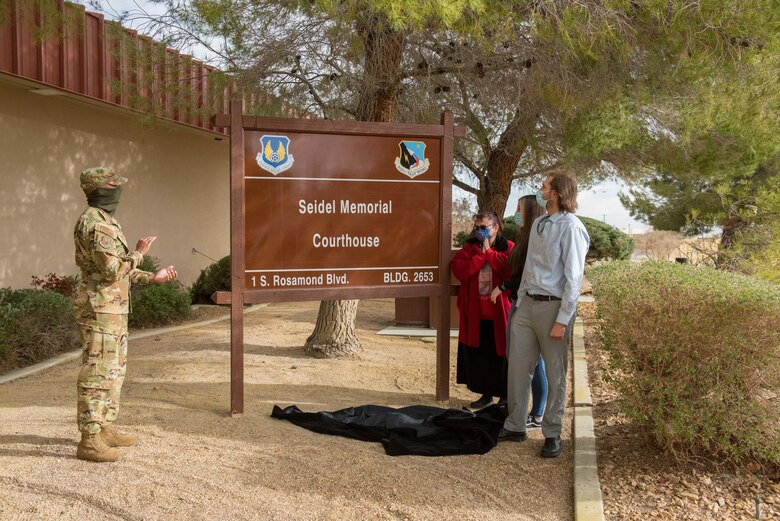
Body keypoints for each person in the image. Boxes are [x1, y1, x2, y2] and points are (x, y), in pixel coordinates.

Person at [73, 166, 177, 462]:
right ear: (102, 190)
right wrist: (139, 252)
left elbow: (120, 272)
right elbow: (111, 270)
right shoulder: (96, 225)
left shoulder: (105, 220)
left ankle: (104, 426)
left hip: (112, 308)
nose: (119, 192)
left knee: (113, 370)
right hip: (100, 309)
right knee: (97, 372)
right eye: (114, 186)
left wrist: (152, 277)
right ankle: (90, 439)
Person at [498, 170, 589, 459]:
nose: (540, 189)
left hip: (553, 308)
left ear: (558, 193)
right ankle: (515, 426)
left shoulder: (572, 227)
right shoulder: (538, 223)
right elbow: (529, 269)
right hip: (527, 306)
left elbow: (574, 278)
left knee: (555, 372)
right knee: (518, 368)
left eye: (545, 186)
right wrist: (520, 303)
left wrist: (563, 319)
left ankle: (552, 433)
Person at [490, 194, 547, 430]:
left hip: (525, 302)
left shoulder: (535, 238)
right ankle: (526, 412)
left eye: (519, 208)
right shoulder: (525, 236)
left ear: (531, 210)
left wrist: (502, 286)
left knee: (536, 364)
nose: (516, 212)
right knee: (528, 362)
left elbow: (525, 276)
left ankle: (537, 413)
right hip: (519, 301)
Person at [452, 211, 513, 409]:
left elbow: (508, 270)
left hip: (500, 311)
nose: (480, 231)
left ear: (496, 228)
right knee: (482, 354)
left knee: (502, 354)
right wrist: (480, 256)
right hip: (477, 311)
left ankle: (505, 396)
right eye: (477, 227)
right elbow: (460, 269)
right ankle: (486, 394)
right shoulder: (470, 247)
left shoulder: (508, 247)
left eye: (484, 227)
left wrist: (490, 254)